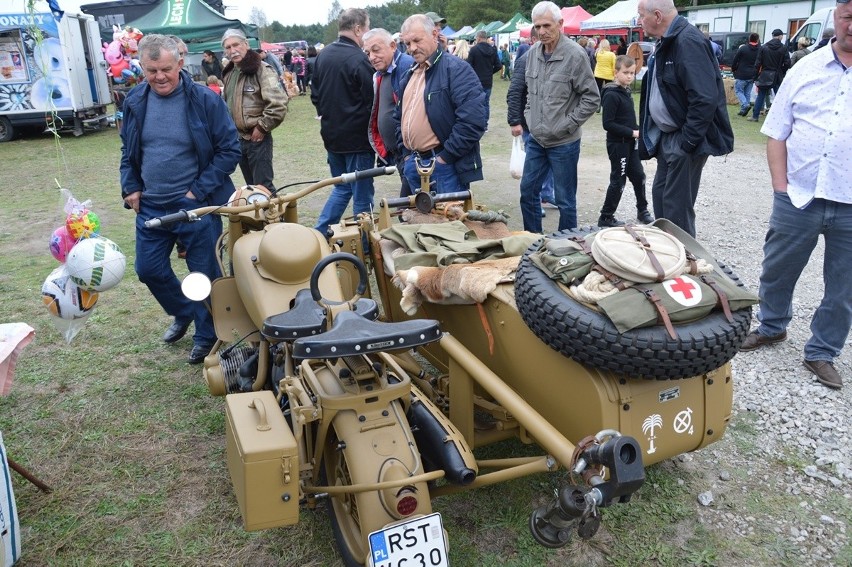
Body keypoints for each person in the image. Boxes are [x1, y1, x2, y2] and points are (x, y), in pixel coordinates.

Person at [740, 0, 852, 390]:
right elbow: (777, 132)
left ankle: (822, 351)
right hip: (798, 195)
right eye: (848, 16)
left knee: (844, 287)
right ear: (836, 16)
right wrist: (780, 188)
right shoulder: (804, 68)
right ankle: (772, 327)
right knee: (777, 269)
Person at [120, 34, 241, 364]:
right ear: (142, 68)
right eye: (151, 70)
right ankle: (183, 311)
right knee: (148, 270)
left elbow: (229, 150)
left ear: (179, 64)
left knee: (202, 274)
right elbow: (128, 151)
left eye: (166, 69)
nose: (160, 76)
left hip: (195, 205)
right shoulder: (134, 101)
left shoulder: (204, 100)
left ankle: (205, 335)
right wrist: (130, 186)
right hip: (151, 206)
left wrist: (196, 192)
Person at [637, 0, 733, 237]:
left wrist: (686, 143)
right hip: (668, 137)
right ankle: (667, 257)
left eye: (641, 16)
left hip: (682, 140)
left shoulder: (687, 41)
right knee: (662, 201)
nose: (639, 21)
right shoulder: (667, 41)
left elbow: (705, 98)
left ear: (657, 15)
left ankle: (684, 264)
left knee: (676, 211)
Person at [513, 1, 599, 233]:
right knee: (527, 191)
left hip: (564, 143)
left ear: (560, 24)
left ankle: (566, 247)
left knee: (565, 200)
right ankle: (533, 242)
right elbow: (529, 94)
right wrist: (530, 117)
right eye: (537, 26)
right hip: (537, 140)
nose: (541, 31)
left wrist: (567, 125)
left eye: (546, 25)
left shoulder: (575, 55)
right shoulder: (532, 54)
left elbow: (592, 98)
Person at [395, 14, 486, 195]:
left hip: (444, 168)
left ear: (435, 34)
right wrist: (406, 155)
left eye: (416, 40)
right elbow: (398, 118)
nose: (412, 48)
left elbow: (473, 121)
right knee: (417, 222)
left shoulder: (457, 69)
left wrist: (445, 158)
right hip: (415, 163)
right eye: (407, 44)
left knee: (446, 223)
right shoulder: (409, 75)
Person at [310, 8, 376, 236]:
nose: (367, 33)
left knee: (342, 188)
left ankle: (318, 233)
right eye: (367, 28)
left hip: (332, 137)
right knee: (362, 195)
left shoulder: (323, 55)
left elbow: (315, 96)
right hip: (357, 140)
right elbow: (372, 100)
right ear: (358, 29)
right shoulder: (359, 58)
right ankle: (366, 245)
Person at [221, 29, 288, 190]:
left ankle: (276, 216)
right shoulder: (229, 72)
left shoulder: (262, 69)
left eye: (236, 44)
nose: (233, 50)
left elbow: (278, 103)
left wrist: (262, 127)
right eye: (228, 47)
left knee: (263, 188)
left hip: (257, 139)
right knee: (251, 189)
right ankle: (260, 216)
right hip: (237, 139)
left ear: (246, 44)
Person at [506, 26, 556, 217]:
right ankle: (535, 201)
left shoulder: (553, 60)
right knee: (533, 169)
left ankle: (547, 194)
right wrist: (515, 121)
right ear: (534, 40)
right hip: (530, 125)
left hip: (551, 126)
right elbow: (514, 93)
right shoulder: (525, 60)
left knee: (549, 164)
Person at [598, 55, 653, 227]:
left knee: (639, 176)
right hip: (618, 144)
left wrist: (636, 132)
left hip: (630, 143)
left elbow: (628, 118)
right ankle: (606, 216)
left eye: (632, 73)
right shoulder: (611, 94)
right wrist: (632, 132)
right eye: (625, 73)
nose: (629, 76)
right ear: (616, 73)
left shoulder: (626, 91)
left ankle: (642, 210)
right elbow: (608, 124)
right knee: (618, 180)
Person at [364, 28, 415, 197]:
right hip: (398, 154)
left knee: (412, 206)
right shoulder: (381, 73)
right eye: (368, 52)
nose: (371, 57)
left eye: (376, 50)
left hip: (411, 154)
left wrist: (408, 155)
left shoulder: (407, 67)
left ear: (393, 46)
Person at [748, 29, 790, 122]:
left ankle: (755, 116)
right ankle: (781, 117)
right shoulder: (783, 48)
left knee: (761, 96)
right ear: (780, 36)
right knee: (780, 97)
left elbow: (757, 63)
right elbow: (787, 63)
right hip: (777, 74)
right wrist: (781, 71)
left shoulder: (764, 47)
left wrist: (755, 76)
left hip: (765, 73)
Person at [466, 30, 502, 131]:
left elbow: (469, 66)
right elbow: (499, 65)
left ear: (478, 38)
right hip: (488, 81)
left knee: (476, 103)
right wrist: (490, 72)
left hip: (476, 81)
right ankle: (485, 124)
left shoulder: (474, 50)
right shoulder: (492, 50)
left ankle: (477, 123)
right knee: (486, 103)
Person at [731, 32, 760, 116]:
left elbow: (735, 60)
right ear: (757, 40)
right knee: (747, 93)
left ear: (749, 39)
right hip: (752, 74)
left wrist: (733, 69)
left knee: (738, 91)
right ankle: (744, 110)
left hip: (741, 73)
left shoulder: (743, 48)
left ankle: (745, 105)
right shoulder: (759, 50)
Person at [594, 39, 616, 109]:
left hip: (598, 74)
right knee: (608, 90)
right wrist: (614, 74)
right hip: (608, 75)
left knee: (598, 90)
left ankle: (598, 104)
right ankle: (606, 104)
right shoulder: (612, 54)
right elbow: (614, 65)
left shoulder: (598, 53)